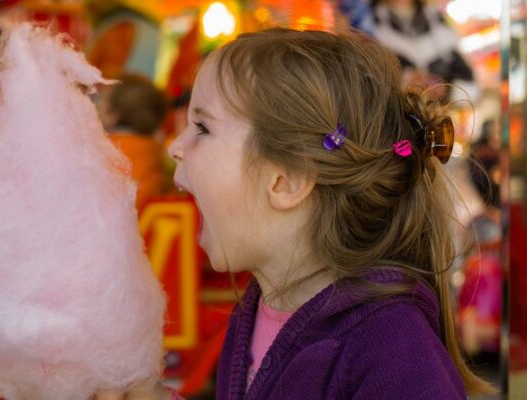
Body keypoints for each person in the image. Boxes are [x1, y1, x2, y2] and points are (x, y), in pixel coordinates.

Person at [96, 28, 495, 399]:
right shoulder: (254, 313)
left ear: (286, 180)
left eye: (202, 127)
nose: (174, 147)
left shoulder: (393, 353)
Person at [96, 74, 167, 208]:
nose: (96, 105)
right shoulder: (153, 149)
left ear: (113, 116)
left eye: (102, 99)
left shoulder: (106, 151)